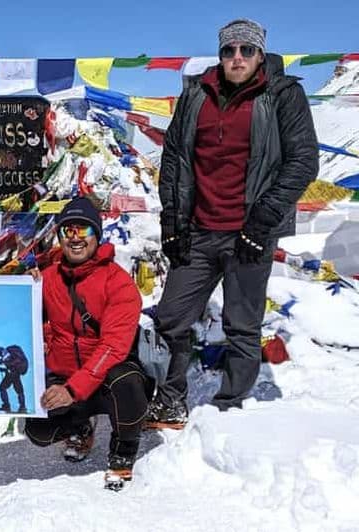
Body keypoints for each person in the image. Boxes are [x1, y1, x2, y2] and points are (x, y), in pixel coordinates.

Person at [149, 19, 319, 428]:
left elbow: (302, 162)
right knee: (172, 317)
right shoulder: (195, 95)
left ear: (261, 54)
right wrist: (172, 221)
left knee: (242, 325)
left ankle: (230, 408)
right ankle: (170, 399)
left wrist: (262, 222)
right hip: (199, 230)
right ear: (220, 55)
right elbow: (173, 159)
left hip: (250, 232)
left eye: (246, 50)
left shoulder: (282, 95)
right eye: (229, 51)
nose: (237, 58)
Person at [25, 197, 149, 490]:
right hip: (65, 376)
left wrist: (72, 390)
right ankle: (80, 426)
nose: (76, 238)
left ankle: (123, 450)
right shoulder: (48, 278)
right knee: (38, 431)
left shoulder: (118, 283)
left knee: (128, 384)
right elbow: (21, 322)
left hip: (107, 378)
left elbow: (113, 347)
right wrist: (24, 291)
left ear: (98, 234)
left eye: (84, 230)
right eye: (68, 231)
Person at [0, 345, 28, 413]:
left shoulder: (5, 354)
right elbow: (7, 363)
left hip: (13, 373)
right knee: (19, 390)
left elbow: (7, 363)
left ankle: (7, 405)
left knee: (2, 387)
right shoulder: (9, 353)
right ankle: (22, 406)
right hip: (16, 373)